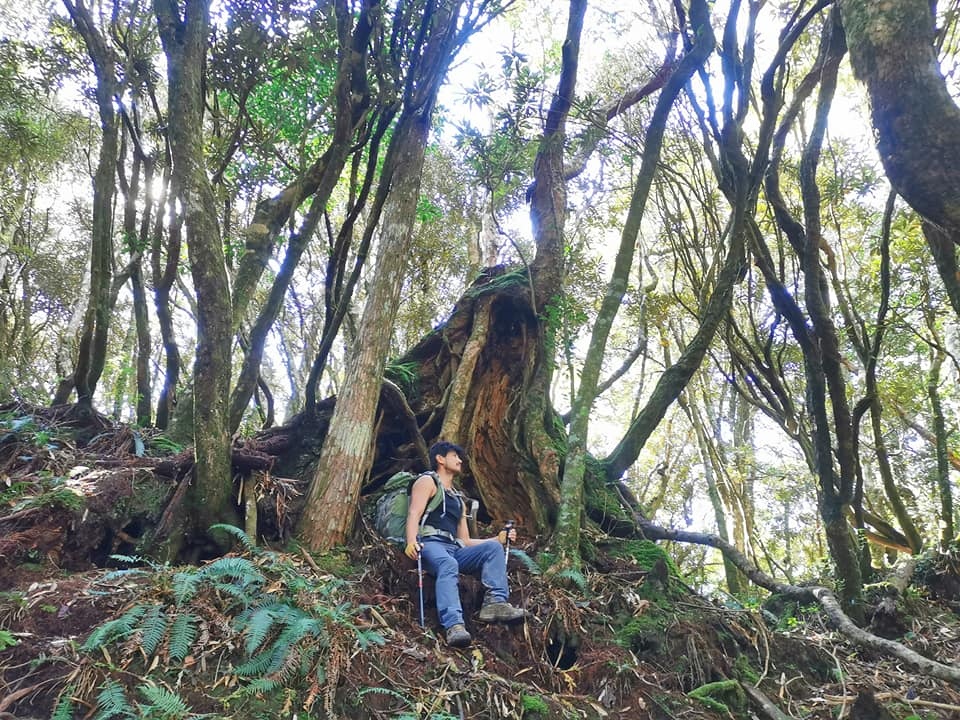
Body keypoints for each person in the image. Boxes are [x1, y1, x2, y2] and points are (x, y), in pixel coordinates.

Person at [404, 440, 526, 647]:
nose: (460, 460)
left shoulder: (458, 499)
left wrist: (497, 539)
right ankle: (454, 625)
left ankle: (495, 603)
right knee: (448, 564)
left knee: (493, 549)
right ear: (440, 459)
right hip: (430, 543)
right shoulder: (427, 482)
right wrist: (411, 541)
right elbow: (414, 513)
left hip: (453, 548)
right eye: (455, 456)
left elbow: (465, 540)